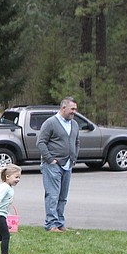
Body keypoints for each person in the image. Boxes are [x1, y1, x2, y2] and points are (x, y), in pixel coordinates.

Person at [37, 96, 80, 232]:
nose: (74, 112)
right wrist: (50, 159)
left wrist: (74, 157)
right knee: (53, 195)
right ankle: (51, 224)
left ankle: (60, 223)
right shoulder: (50, 123)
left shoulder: (74, 124)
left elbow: (77, 142)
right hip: (53, 165)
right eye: (72, 109)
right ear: (63, 108)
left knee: (63, 196)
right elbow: (40, 142)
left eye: (75, 109)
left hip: (68, 164)